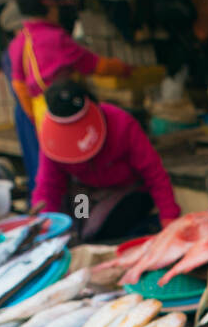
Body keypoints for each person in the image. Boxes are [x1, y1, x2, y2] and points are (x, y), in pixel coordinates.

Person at [33, 81, 180, 241]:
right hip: (83, 192)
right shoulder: (52, 141)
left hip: (125, 188)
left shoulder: (121, 123)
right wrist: (43, 223)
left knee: (107, 231)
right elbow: (48, 187)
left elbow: (154, 173)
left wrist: (169, 217)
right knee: (80, 233)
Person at [7, 0, 131, 134]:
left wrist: (34, 116)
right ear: (49, 4)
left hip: (42, 117)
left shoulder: (18, 42)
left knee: (58, 156)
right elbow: (96, 66)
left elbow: (19, 85)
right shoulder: (56, 38)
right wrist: (126, 70)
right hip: (69, 109)